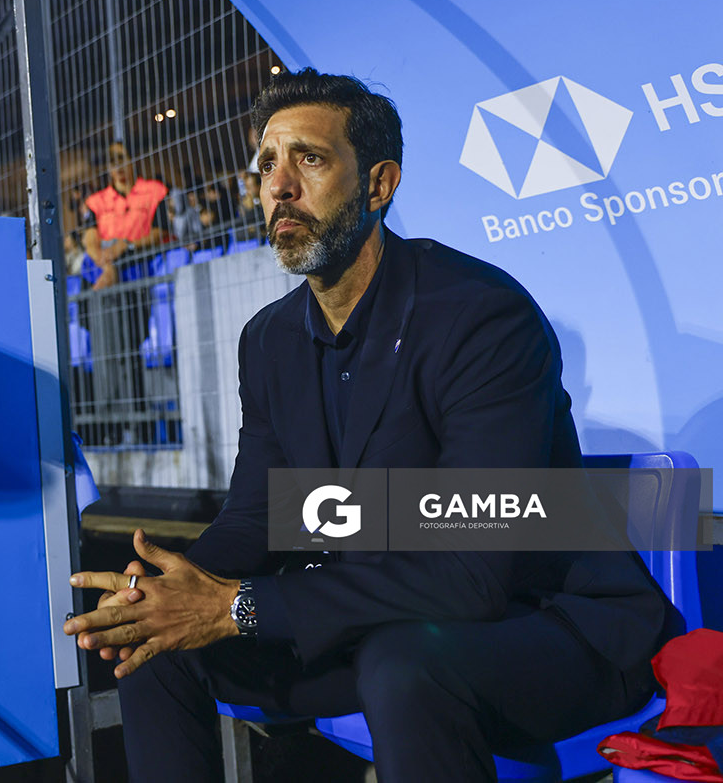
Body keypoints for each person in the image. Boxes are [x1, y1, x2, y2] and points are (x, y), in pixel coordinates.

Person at [63, 69, 681, 782]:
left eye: (311, 160)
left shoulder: (481, 317)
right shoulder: (268, 339)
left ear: (380, 185)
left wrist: (241, 607)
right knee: (157, 646)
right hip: (386, 624)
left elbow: (471, 575)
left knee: (404, 661)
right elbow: (261, 516)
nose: (279, 186)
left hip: (549, 624)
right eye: (267, 164)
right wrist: (172, 589)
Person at [81, 141, 170, 289]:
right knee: (91, 267)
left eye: (121, 158)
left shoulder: (155, 191)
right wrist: (106, 266)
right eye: (112, 161)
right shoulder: (96, 201)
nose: (117, 165)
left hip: (139, 259)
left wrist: (125, 245)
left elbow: (159, 231)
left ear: (133, 160)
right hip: (104, 261)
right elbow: (90, 239)